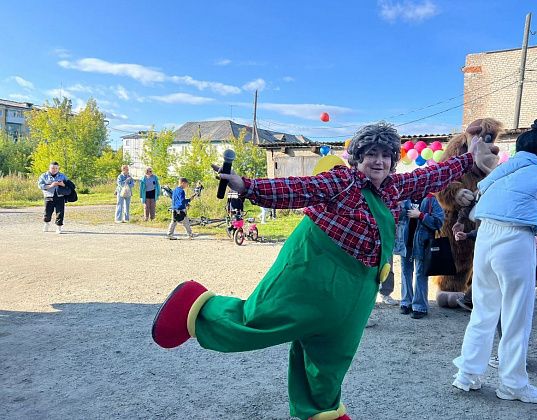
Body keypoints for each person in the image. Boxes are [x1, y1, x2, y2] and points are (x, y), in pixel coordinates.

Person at [151, 122, 495, 420]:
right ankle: (197, 310)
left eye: (385, 155)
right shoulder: (342, 181)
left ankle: (320, 411)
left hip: (356, 287)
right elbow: (299, 189)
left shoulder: (395, 188)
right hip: (315, 271)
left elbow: (431, 174)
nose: (378, 161)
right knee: (263, 318)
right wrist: (248, 186)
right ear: (358, 158)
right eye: (370, 154)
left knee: (335, 350)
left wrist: (469, 159)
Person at [452, 120, 537, 404]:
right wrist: (536, 231)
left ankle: (468, 374)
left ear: (517, 148)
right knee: (516, 315)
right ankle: (513, 383)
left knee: (483, 310)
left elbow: (477, 207)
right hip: (516, 239)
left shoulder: (498, 173)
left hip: (486, 238)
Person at [395, 195, 444, 318]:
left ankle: (420, 307)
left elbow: (439, 222)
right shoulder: (404, 199)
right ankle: (406, 303)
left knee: (420, 273)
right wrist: (397, 208)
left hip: (423, 244)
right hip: (405, 243)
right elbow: (394, 218)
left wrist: (421, 215)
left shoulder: (430, 199)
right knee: (405, 272)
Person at [37, 161, 69, 234]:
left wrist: (63, 184)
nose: (54, 169)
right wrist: (51, 185)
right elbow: (40, 186)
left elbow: (69, 185)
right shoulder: (44, 176)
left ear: (58, 168)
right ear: (49, 168)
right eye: (52, 168)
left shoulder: (62, 176)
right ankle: (46, 223)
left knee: (60, 212)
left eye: (56, 168)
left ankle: (58, 227)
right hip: (48, 197)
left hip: (60, 196)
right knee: (47, 213)